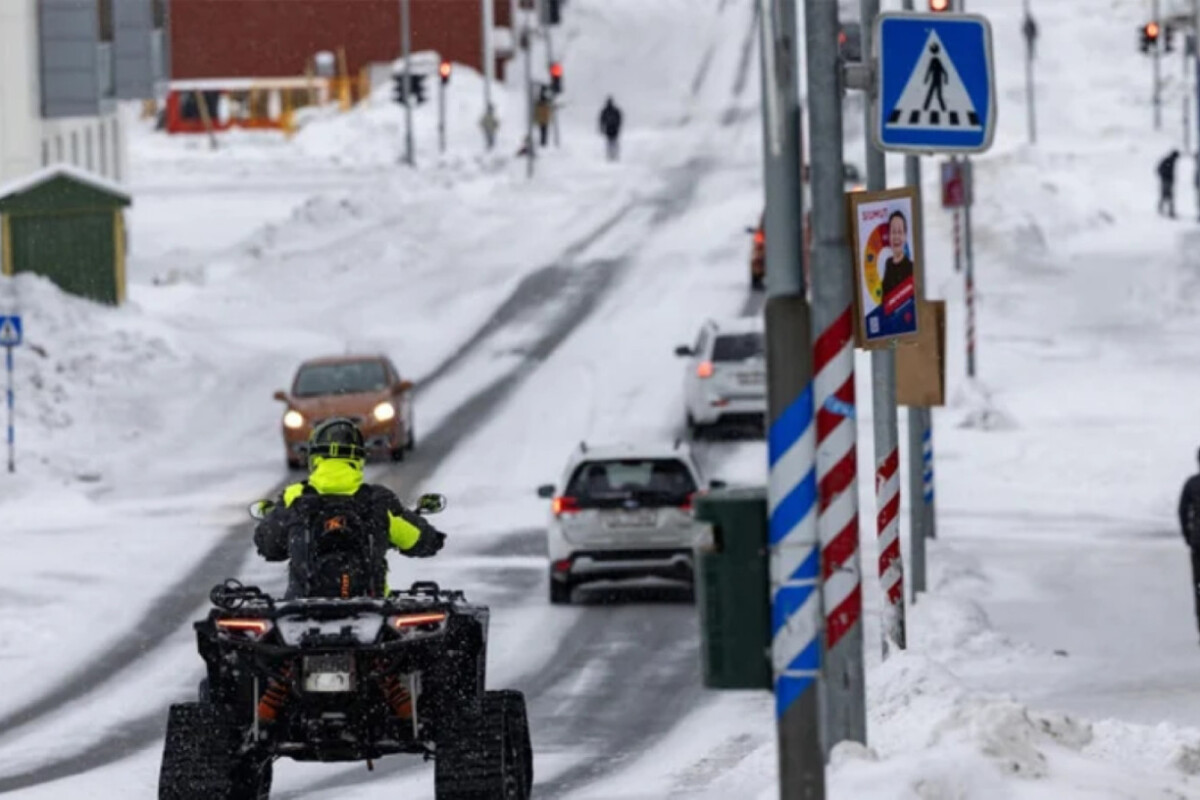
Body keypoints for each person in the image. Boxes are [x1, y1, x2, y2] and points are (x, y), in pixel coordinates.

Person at [253, 417, 445, 600]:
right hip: (373, 611)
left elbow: (268, 546)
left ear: (315, 458)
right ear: (359, 459)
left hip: (301, 614)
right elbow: (423, 541)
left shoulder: (294, 497)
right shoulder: (377, 501)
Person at [1179, 451, 1200, 641]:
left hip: (1198, 543)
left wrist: (1188, 535)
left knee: (1199, 587)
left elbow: (1182, 512)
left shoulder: (1192, 484)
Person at [881, 211, 914, 302]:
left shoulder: (911, 267)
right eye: (893, 232)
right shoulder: (888, 263)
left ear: (905, 236)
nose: (896, 237)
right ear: (889, 235)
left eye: (900, 232)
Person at [598, 96, 623, 161]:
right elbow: (602, 120)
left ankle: (613, 155)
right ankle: (611, 155)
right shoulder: (608, 111)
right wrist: (602, 128)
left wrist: (601, 128)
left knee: (612, 142)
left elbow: (619, 119)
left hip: (613, 128)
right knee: (611, 142)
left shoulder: (611, 110)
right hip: (610, 128)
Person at [1158, 149, 1181, 218]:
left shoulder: (1171, 161)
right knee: (1167, 196)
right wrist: (1165, 176)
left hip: (1168, 181)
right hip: (1166, 181)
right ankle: (1166, 211)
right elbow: (1159, 169)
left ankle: (1166, 210)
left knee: (1167, 196)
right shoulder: (1168, 161)